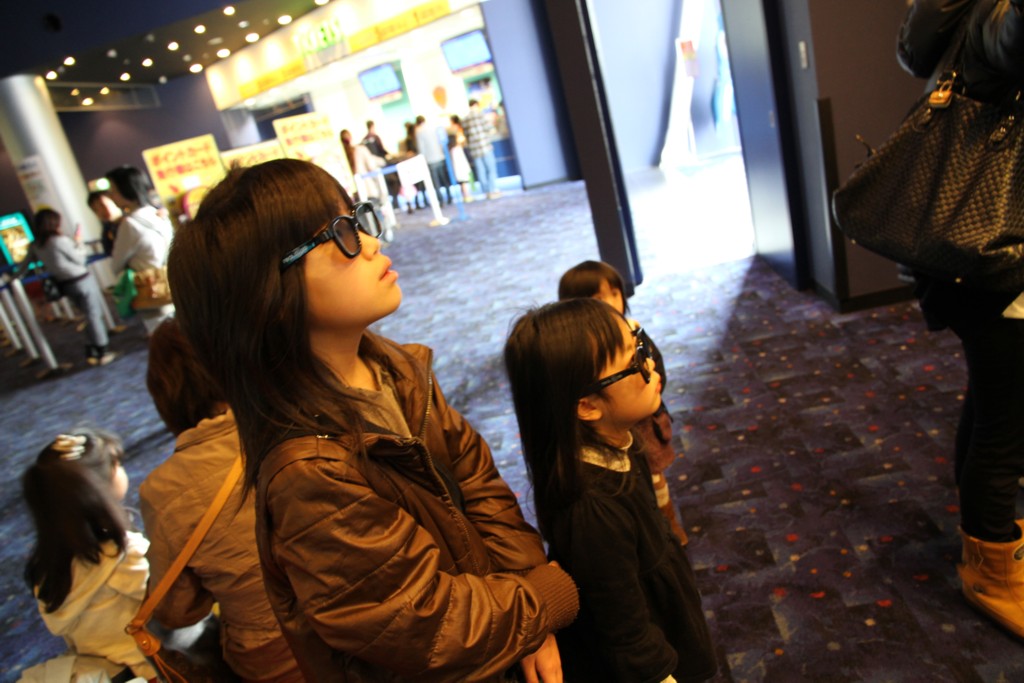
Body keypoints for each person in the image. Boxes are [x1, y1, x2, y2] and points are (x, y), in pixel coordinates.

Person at [165, 158, 579, 681]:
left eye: (358, 217)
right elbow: (424, 622)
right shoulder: (308, 473)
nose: (369, 241)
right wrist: (545, 598)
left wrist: (526, 601)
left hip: (498, 634)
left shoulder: (397, 367)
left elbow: (478, 481)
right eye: (339, 233)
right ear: (268, 293)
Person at [504, 298, 717, 683]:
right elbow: (626, 635)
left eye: (641, 345)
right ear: (587, 407)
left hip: (661, 608)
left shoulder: (623, 440)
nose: (650, 363)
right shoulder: (592, 510)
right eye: (634, 362)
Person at [898, 0, 1024, 640]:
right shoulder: (995, 19)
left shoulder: (959, 12)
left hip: (970, 254)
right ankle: (991, 571)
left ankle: (987, 530)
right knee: (1008, 423)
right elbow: (1013, 41)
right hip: (998, 256)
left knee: (994, 400)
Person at [140, 319, 302, 682]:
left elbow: (176, 612)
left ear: (166, 394)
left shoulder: (165, 490)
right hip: (372, 624)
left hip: (278, 660)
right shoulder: (313, 417)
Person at [558, 260, 688, 545]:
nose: (610, 303)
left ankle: (669, 523)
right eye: (597, 298)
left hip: (645, 425)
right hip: (616, 429)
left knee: (655, 478)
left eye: (615, 293)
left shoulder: (633, 330)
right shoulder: (583, 354)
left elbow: (656, 365)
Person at [22, 428, 157, 681]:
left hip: (104, 671)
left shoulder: (46, 567)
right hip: (153, 667)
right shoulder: (122, 556)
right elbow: (172, 602)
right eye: (116, 464)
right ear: (96, 487)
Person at [24, 208, 117, 366]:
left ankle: (93, 349)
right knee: (94, 315)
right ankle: (102, 351)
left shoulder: (36, 245)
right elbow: (80, 259)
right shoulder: (59, 240)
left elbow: (24, 266)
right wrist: (78, 243)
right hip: (81, 280)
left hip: (64, 284)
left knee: (89, 315)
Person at [105, 165, 175, 336]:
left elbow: (116, 265)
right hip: (172, 281)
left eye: (113, 190)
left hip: (151, 290)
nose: (111, 196)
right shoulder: (158, 214)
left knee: (162, 336)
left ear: (126, 189)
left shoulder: (130, 224)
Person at [462, 99, 501, 199]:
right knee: (491, 169)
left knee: (481, 171)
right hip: (485, 146)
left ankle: (486, 191)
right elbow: (490, 129)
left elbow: (466, 135)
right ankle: (492, 190)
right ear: (476, 105)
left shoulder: (465, 119)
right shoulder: (481, 116)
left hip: (474, 149)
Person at [415, 115, 455, 205]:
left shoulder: (419, 131)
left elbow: (421, 148)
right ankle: (449, 196)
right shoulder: (433, 127)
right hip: (440, 156)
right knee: (444, 178)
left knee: (435, 181)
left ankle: (441, 200)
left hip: (430, 159)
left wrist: (422, 159)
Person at [361, 120, 401, 209]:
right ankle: (394, 202)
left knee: (382, 186)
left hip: (374, 168)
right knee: (393, 181)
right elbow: (381, 150)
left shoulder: (364, 141)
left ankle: (388, 205)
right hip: (381, 165)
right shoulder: (375, 137)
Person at [86, 190, 122, 257]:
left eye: (102, 205)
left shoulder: (131, 219)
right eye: (96, 210)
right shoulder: (106, 232)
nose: (101, 211)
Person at [448, 115, 475, 202]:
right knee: (464, 175)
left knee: (463, 175)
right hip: (460, 154)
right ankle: (467, 194)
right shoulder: (458, 130)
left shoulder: (453, 130)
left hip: (459, 154)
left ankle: (466, 194)